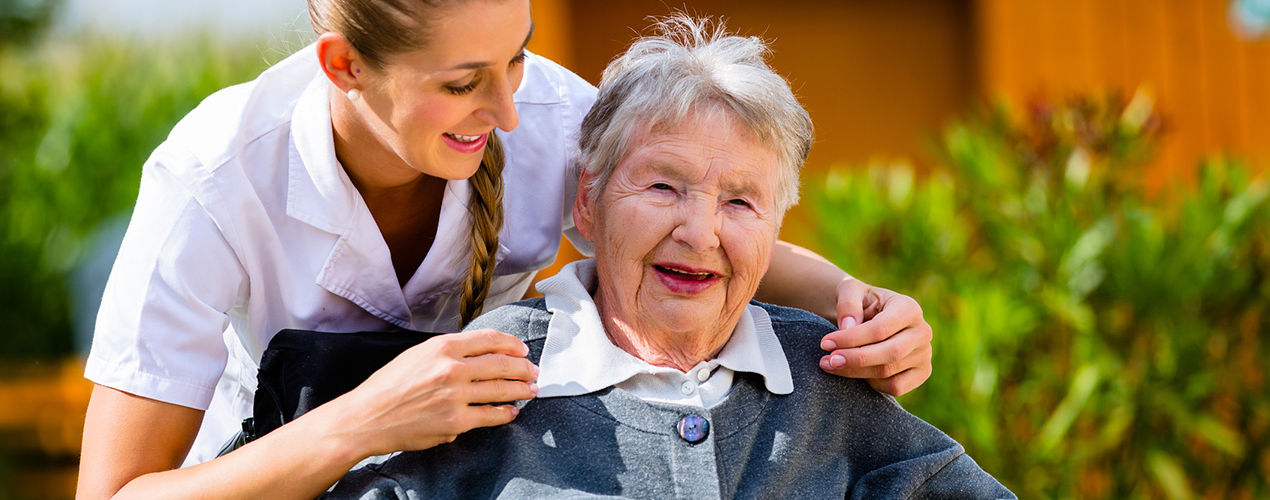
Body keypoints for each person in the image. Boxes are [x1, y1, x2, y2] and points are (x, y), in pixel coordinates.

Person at [77, 1, 933, 498]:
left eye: (517, 59)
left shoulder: (557, 117)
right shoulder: (214, 180)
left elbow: (692, 231)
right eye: (461, 85)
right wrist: (364, 421)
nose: (511, 114)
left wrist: (855, 302)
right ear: (343, 66)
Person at [327, 15, 1011, 499]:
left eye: (741, 202)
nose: (700, 231)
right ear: (587, 204)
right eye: (663, 187)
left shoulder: (825, 381)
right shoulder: (490, 375)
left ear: (774, 229)